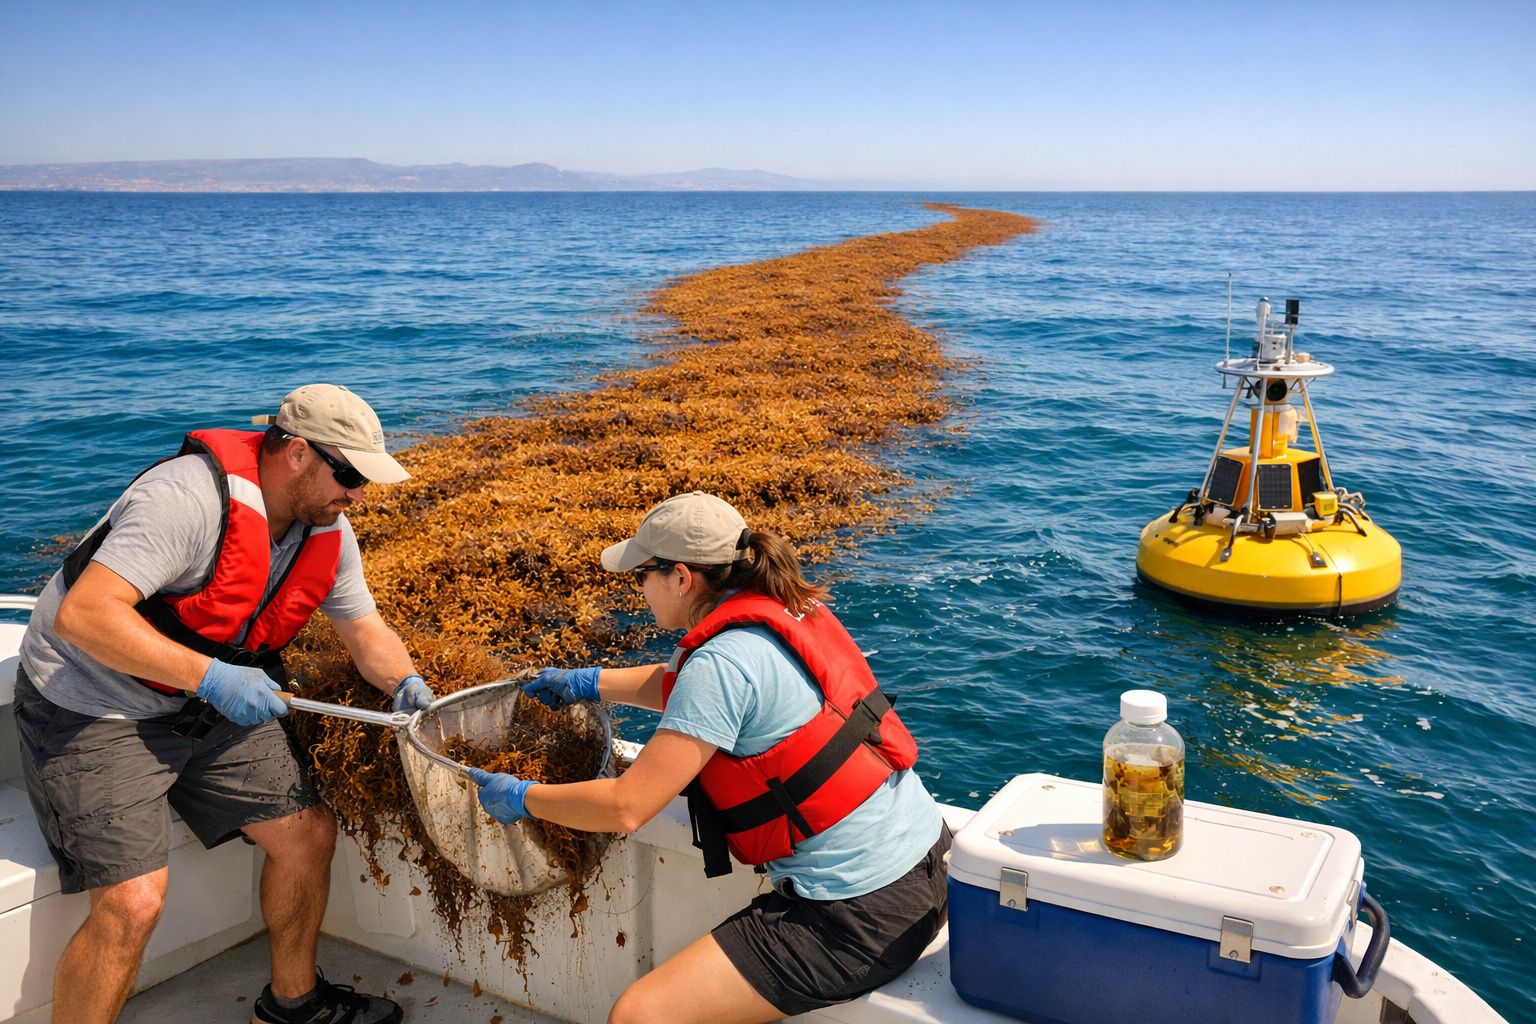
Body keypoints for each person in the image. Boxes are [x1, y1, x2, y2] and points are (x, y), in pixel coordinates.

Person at [14, 383, 434, 1024]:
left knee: (307, 835)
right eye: (348, 475)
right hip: (93, 705)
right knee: (133, 903)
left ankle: (294, 1003)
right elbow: (84, 616)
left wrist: (405, 684)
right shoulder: (183, 501)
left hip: (204, 705)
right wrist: (213, 678)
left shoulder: (327, 530)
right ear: (296, 454)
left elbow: (364, 631)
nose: (355, 495)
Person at [470, 491, 950, 1024]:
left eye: (641, 576)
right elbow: (695, 689)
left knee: (639, 1015)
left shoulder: (720, 660)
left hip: (858, 915)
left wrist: (520, 797)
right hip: (929, 866)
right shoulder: (782, 608)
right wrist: (587, 682)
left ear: (680, 577)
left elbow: (627, 806)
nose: (639, 591)